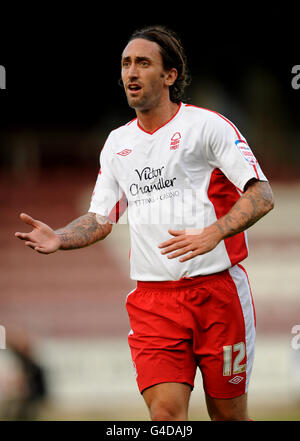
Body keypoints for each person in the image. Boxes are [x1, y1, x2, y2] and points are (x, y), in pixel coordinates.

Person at [15, 25, 274, 421]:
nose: (131, 72)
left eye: (143, 63)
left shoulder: (207, 127)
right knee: (165, 416)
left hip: (218, 294)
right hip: (155, 303)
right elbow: (102, 217)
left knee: (229, 417)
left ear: (169, 76)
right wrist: (60, 238)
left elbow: (261, 195)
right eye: (125, 64)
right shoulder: (118, 143)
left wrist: (214, 233)